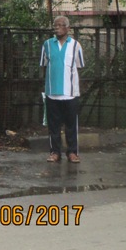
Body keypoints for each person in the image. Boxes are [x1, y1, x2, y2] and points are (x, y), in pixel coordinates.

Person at [41, 16, 84, 163]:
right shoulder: (47, 44)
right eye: (55, 25)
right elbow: (45, 65)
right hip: (52, 93)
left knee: (71, 125)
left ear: (68, 28)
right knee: (54, 125)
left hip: (70, 93)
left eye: (60, 25)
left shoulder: (76, 45)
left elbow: (78, 67)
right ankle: (55, 152)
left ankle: (72, 152)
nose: (57, 28)